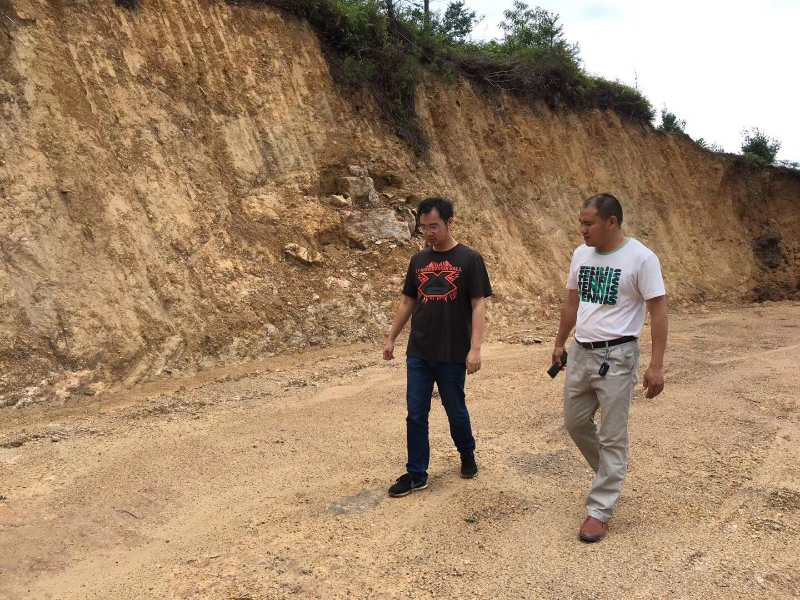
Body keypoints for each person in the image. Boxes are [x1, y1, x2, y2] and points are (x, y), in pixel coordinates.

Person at [551, 193, 668, 542]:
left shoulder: (641, 258)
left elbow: (658, 312)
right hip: (581, 351)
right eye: (581, 223)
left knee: (613, 434)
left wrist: (656, 365)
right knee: (575, 422)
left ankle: (599, 510)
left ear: (612, 222)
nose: (582, 230)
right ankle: (610, 475)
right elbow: (572, 302)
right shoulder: (581, 254)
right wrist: (559, 342)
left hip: (617, 356)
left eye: (589, 223)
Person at [383, 197, 492, 497]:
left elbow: (478, 304)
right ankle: (417, 473)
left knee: (455, 409)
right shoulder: (418, 261)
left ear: (449, 223)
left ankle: (467, 453)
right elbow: (408, 301)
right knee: (415, 414)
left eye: (434, 226)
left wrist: (475, 349)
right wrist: (392, 337)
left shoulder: (469, 259)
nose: (429, 233)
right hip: (419, 351)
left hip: (452, 352)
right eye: (424, 227)